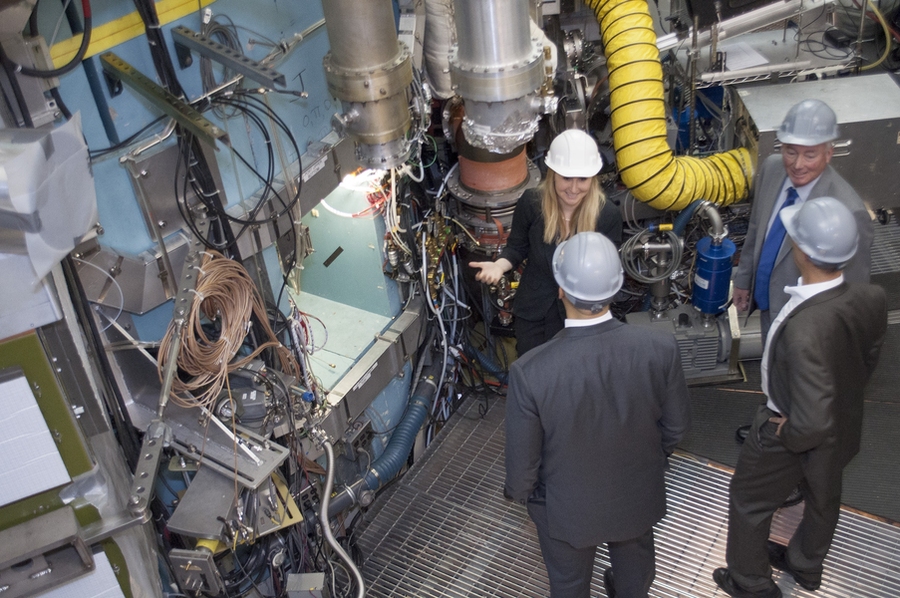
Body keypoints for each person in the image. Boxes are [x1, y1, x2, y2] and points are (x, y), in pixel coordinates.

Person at [713, 197, 887, 598]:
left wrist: (782, 434)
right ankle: (806, 566)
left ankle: (750, 582)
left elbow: (808, 424)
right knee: (824, 497)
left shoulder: (803, 329)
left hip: (793, 426)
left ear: (803, 252)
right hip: (844, 420)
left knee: (748, 502)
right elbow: (869, 357)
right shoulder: (871, 297)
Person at [505, 232, 691, 598]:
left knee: (570, 587)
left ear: (561, 288)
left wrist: (528, 497)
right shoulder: (659, 348)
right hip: (637, 496)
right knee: (634, 580)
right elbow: (676, 429)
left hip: (565, 512)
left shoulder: (531, 372)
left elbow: (522, 472)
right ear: (616, 287)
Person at [469, 129, 622, 356]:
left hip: (580, 315)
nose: (573, 187)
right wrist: (499, 266)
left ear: (593, 178)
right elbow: (517, 247)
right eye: (566, 178)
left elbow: (608, 272)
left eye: (582, 179)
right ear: (552, 174)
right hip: (534, 310)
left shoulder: (607, 214)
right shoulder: (531, 204)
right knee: (532, 368)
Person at [733, 99, 873, 339]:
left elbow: (854, 295)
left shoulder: (849, 212)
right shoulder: (771, 168)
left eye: (810, 155)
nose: (797, 165)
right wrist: (744, 279)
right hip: (768, 306)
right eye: (790, 152)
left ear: (829, 154)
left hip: (807, 327)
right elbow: (757, 228)